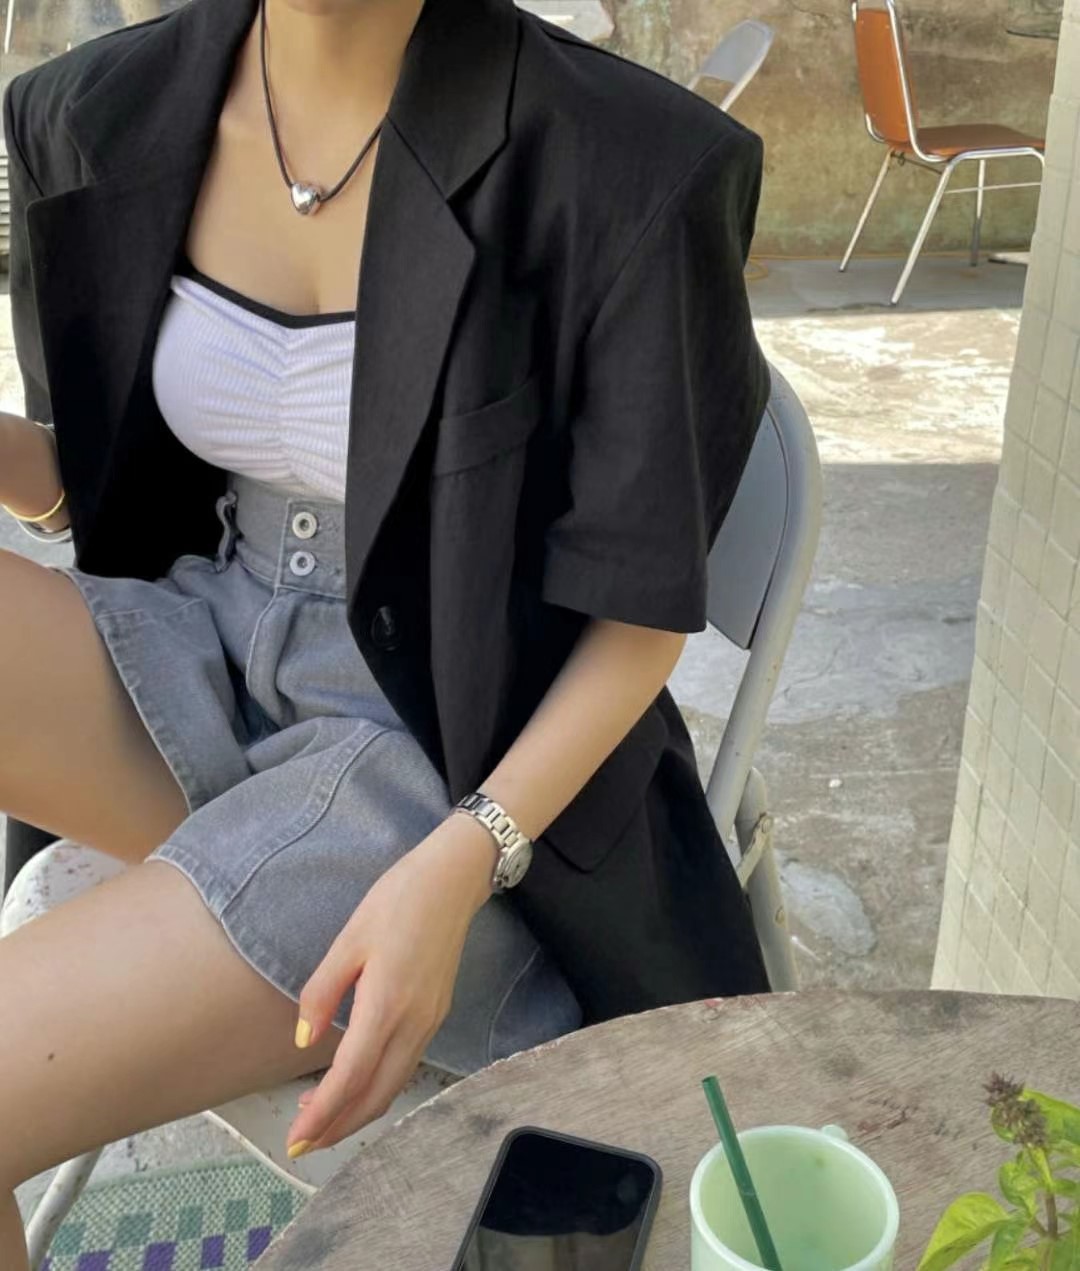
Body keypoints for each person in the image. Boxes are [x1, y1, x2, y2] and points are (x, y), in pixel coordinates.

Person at [0, 0, 770, 1261]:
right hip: (209, 637)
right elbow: (108, 487)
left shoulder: (625, 163)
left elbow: (638, 623)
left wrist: (464, 862)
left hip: (444, 739)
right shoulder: (94, 114)